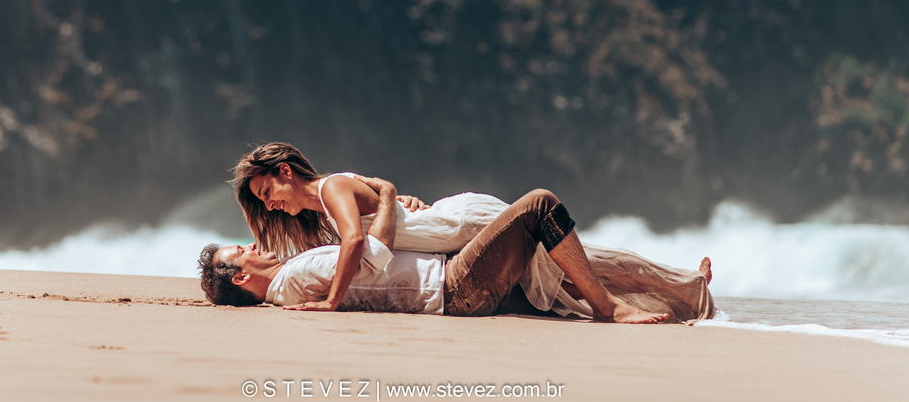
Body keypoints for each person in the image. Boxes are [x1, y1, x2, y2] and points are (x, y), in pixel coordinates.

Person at [228, 142, 713, 320]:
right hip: (447, 233)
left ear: (286, 170)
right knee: (579, 265)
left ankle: (643, 300)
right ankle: (685, 288)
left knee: (567, 270)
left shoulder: (332, 188)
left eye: (265, 189)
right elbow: (375, 234)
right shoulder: (329, 204)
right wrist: (398, 202)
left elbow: (362, 244)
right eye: (260, 200)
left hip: (460, 226)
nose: (266, 202)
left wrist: (331, 302)